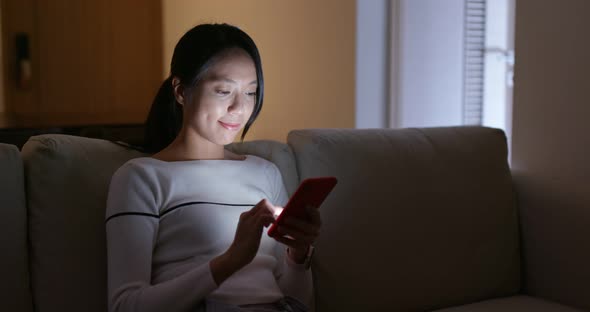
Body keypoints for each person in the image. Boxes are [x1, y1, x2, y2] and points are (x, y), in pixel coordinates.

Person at [105, 24, 320, 312]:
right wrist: (230, 260)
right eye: (223, 91)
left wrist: (298, 255)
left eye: (250, 93)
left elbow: (297, 302)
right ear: (181, 91)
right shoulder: (141, 177)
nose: (239, 108)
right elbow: (125, 305)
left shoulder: (266, 173)